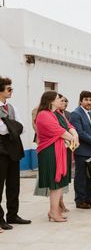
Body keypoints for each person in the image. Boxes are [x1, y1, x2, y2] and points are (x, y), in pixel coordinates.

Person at [34, 91, 78, 223]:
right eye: (59, 98)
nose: (61, 100)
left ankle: (53, 210)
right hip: (50, 152)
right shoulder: (43, 115)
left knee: (59, 183)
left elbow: (69, 126)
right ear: (51, 100)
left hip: (61, 150)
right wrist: (74, 139)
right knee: (55, 182)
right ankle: (54, 212)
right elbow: (60, 131)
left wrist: (75, 135)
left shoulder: (58, 113)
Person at [0, 76, 31, 229]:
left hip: (14, 149)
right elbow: (1, 129)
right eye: (9, 89)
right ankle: (0, 218)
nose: (11, 91)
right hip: (1, 151)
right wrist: (12, 126)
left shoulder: (12, 107)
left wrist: (8, 124)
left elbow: (23, 127)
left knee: (14, 185)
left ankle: (12, 214)